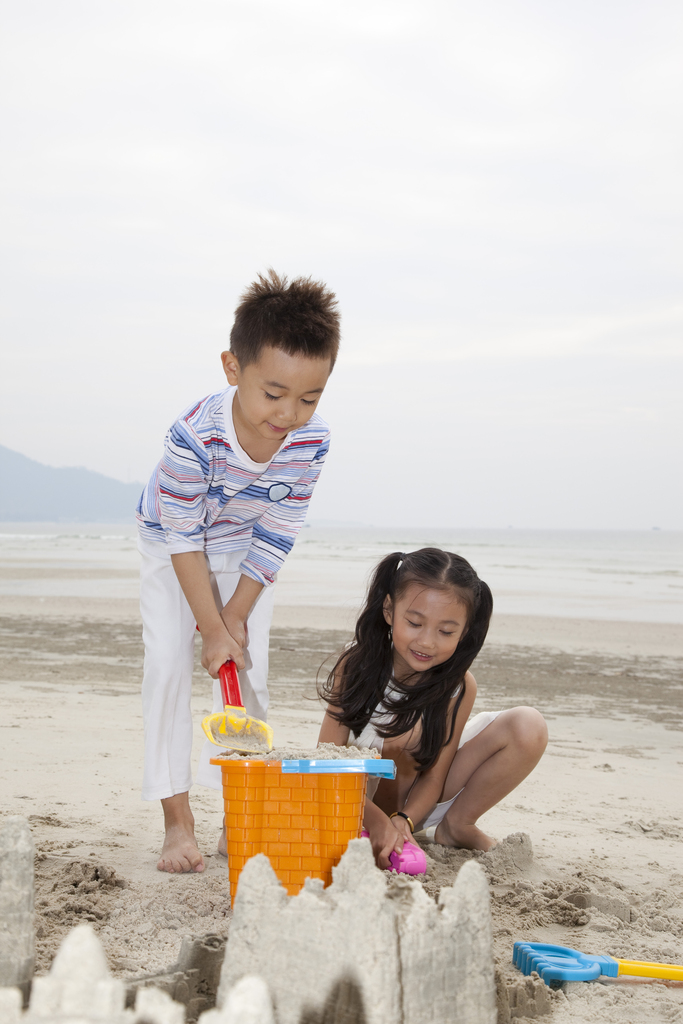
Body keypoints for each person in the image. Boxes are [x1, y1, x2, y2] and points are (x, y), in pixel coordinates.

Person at [137, 270, 340, 873]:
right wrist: (208, 626)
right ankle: (177, 821)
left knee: (251, 679)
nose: (289, 414)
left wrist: (233, 621)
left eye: (309, 398)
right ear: (233, 368)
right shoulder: (193, 436)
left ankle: (241, 812)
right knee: (169, 666)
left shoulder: (312, 442)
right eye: (273, 393)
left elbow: (278, 532)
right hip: (172, 546)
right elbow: (181, 537)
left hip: (245, 553)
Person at [318, 548, 547, 868]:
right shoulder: (356, 666)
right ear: (389, 610)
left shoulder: (458, 685)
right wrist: (380, 822)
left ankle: (457, 825)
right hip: (352, 804)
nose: (427, 642)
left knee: (528, 725)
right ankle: (372, 828)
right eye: (414, 623)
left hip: (417, 808)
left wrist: (404, 821)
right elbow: (325, 765)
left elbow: (435, 777)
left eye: (446, 631)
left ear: (464, 631)